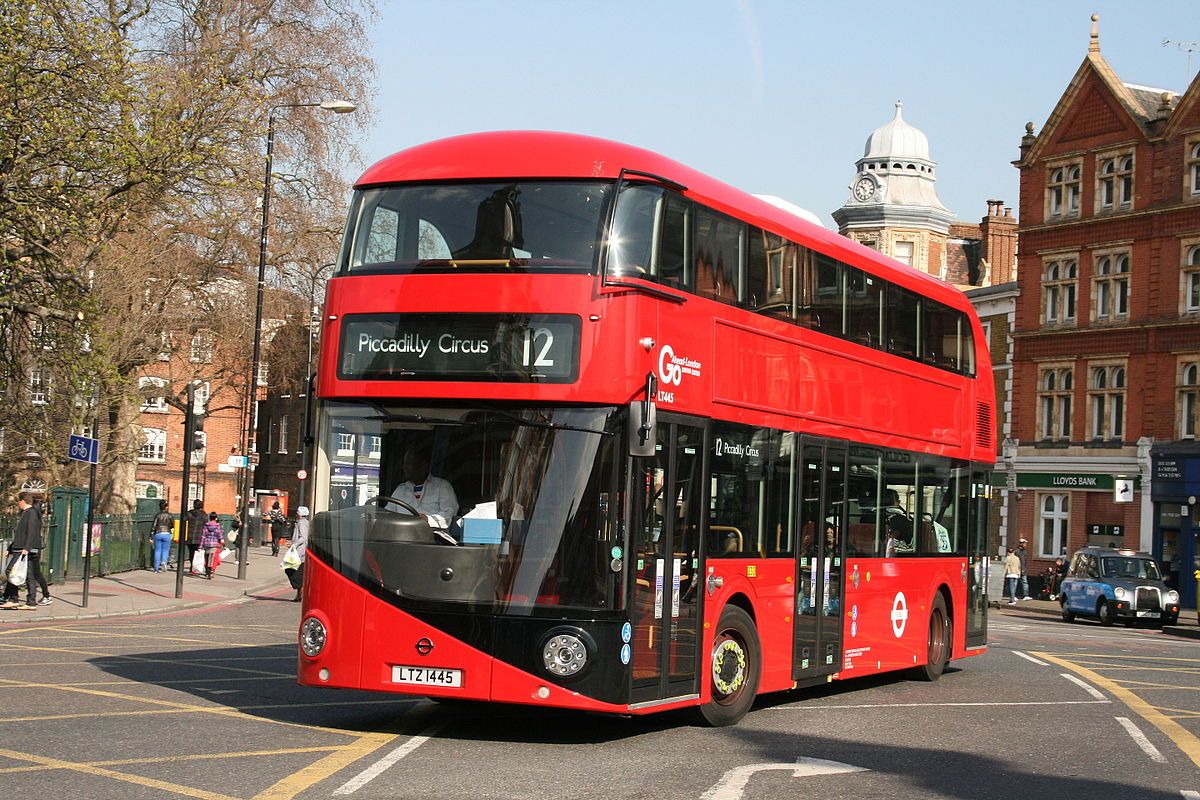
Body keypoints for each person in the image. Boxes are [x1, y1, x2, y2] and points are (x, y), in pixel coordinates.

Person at [389, 449, 458, 530]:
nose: (405, 467)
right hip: (402, 537)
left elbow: (450, 514)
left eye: (409, 463)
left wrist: (428, 520)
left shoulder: (442, 486)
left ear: (423, 465)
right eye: (404, 464)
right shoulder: (400, 490)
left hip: (432, 539)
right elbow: (388, 514)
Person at [2, 493, 47, 609]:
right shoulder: (28, 513)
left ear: (22, 501)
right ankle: (31, 602)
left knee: (10, 571)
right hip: (22, 548)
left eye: (19, 501)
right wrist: (10, 548)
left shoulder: (31, 513)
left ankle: (13, 599)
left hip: (24, 549)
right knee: (29, 575)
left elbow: (31, 532)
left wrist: (26, 548)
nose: (18, 504)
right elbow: (20, 534)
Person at [284, 506, 310, 602]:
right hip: (300, 551)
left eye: (297, 513)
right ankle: (299, 593)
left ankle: (301, 589)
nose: (296, 514)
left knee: (289, 568)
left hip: (299, 551)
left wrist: (293, 544)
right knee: (298, 570)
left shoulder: (301, 523)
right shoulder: (305, 522)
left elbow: (303, 537)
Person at [150, 500, 174, 573]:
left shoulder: (157, 515)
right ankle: (164, 561)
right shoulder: (170, 515)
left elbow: (153, 526)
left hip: (158, 533)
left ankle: (156, 568)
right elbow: (172, 525)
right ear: (166, 507)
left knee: (157, 551)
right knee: (165, 550)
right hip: (167, 533)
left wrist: (151, 536)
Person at [199, 512, 223, 579]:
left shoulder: (206, 525)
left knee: (206, 558)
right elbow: (220, 536)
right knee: (211, 559)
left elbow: (203, 536)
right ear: (215, 518)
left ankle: (207, 572)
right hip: (214, 544)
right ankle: (210, 572)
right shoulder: (218, 526)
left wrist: (200, 546)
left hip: (206, 544)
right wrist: (222, 541)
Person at [185, 499, 206, 575]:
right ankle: (196, 568)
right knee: (198, 554)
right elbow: (205, 526)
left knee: (191, 553)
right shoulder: (204, 515)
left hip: (189, 536)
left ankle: (191, 567)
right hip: (199, 537)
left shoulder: (188, 513)